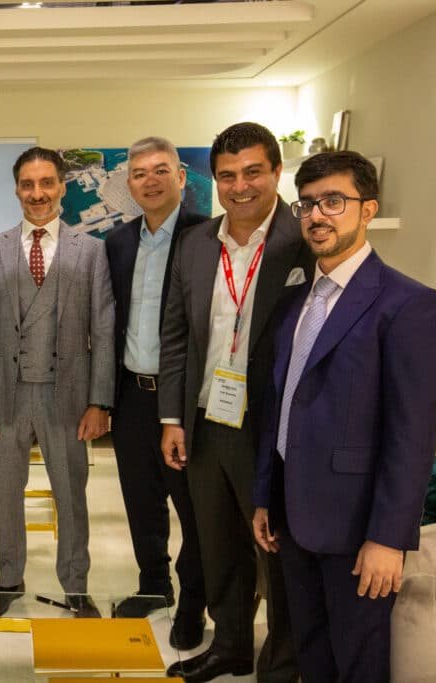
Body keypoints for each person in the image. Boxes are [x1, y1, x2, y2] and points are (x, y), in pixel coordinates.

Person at [253, 151, 436, 683]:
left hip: (356, 527)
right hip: (292, 521)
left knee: (358, 664)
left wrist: (389, 537)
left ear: (368, 210)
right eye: (309, 204)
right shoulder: (296, 301)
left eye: (334, 202)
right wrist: (264, 496)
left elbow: (412, 435)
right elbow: (281, 405)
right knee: (312, 656)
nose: (318, 215)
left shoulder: (409, 305)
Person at [160, 122, 308, 682]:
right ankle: (231, 646)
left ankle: (285, 660)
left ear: (275, 171)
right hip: (205, 418)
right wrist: (171, 417)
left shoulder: (303, 240)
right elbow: (176, 334)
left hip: (271, 426)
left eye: (252, 172)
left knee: (276, 550)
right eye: (227, 175)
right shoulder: (197, 243)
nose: (239, 186)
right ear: (213, 180)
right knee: (216, 541)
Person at [0, 146, 115, 619]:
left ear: (62, 188)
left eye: (46, 183)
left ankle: (75, 585)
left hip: (67, 395)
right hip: (5, 395)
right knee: (6, 493)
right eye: (28, 184)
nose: (37, 193)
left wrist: (100, 401)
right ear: (16, 189)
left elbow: (104, 329)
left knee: (71, 495)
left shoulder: (90, 251)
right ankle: (9, 578)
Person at [104, 136, 208, 647]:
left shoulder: (205, 237)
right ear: (129, 185)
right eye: (140, 173)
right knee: (141, 500)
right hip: (131, 396)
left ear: (181, 178)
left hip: (185, 400)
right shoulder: (119, 243)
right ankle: (153, 585)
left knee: (192, 506)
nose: (150, 180)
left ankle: (193, 603)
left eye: (161, 170)